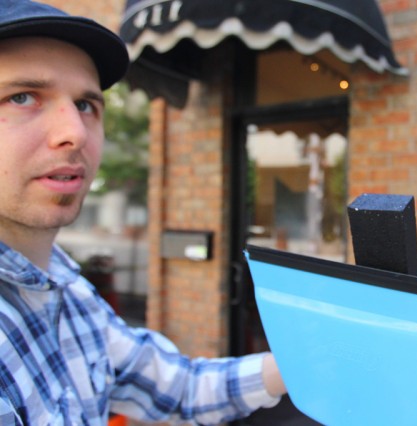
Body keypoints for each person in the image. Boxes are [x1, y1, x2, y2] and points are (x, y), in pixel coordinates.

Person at [0, 0, 286, 424]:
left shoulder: (64, 288)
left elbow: (179, 389)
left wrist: (314, 359)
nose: (74, 133)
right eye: (22, 97)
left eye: (85, 105)